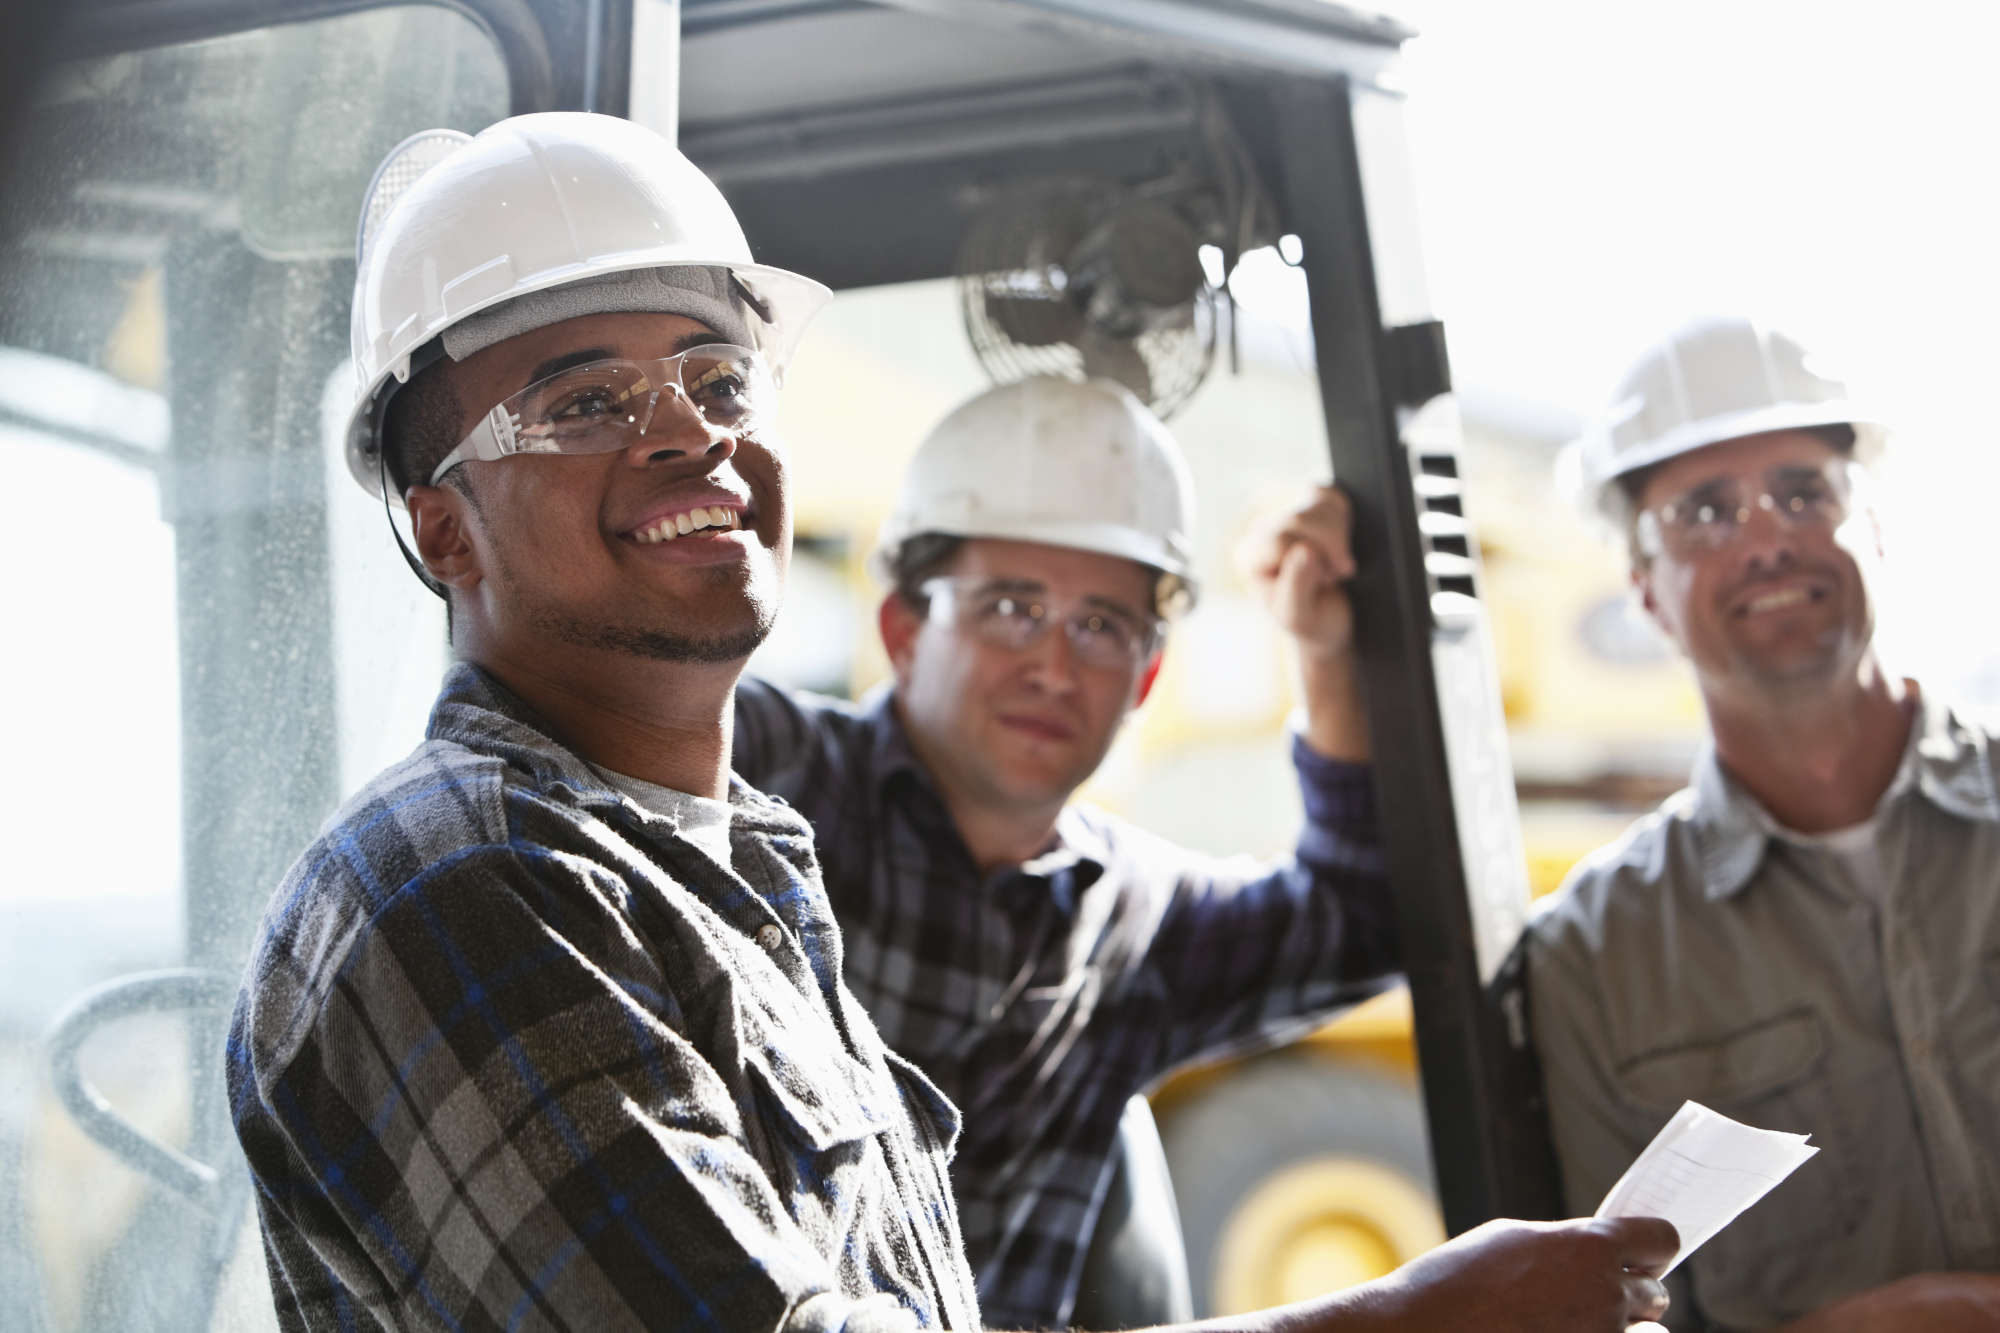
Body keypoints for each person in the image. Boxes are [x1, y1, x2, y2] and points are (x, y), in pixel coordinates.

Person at [228, 110, 1678, 1333]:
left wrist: (1331, 651)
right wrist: (1408, 1317)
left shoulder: (751, 865)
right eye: (586, 401)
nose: (689, 431)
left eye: (721, 378)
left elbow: (1355, 913)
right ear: (444, 535)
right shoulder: (471, 886)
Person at [732, 374, 1385, 1328]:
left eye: (1101, 626)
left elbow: (1360, 919)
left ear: (1146, 677)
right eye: (1009, 607)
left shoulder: (1132, 923)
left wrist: (1324, 653)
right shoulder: (759, 775)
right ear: (903, 628)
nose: (1053, 664)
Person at [1527, 314, 2000, 1332]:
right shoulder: (1593, 960)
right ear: (1643, 592)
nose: (1764, 536)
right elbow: (1611, 1321)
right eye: (1703, 510)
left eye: (1799, 492)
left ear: (1869, 522)